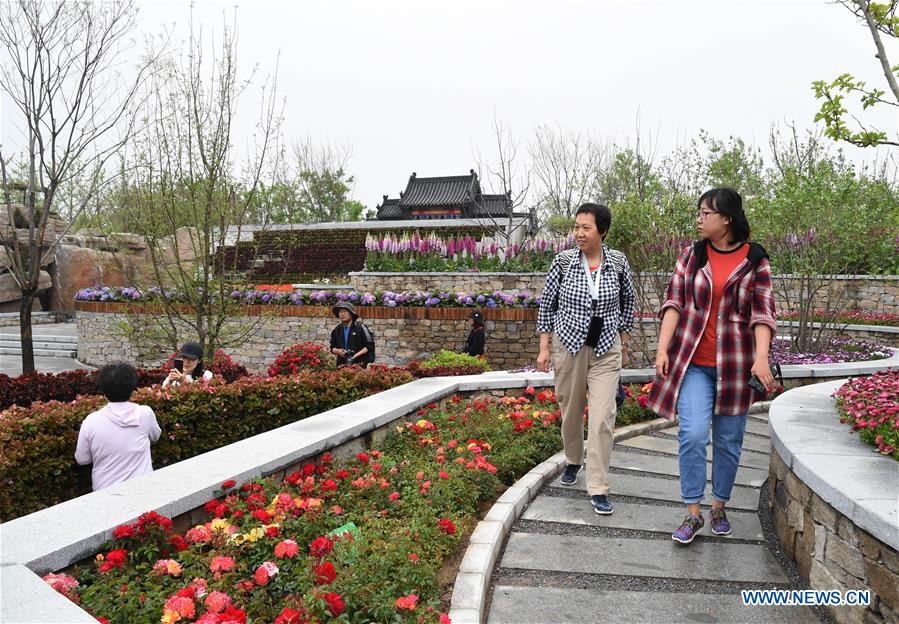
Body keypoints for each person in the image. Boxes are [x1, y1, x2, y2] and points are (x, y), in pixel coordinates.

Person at [648, 187, 776, 544]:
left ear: (727, 219)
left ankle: (719, 505)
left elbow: (762, 312)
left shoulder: (755, 259)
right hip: (693, 363)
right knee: (691, 435)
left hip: (735, 365)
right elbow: (674, 302)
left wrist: (761, 358)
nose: (699, 219)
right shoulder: (691, 255)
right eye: (699, 212)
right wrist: (662, 349)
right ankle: (693, 512)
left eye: (706, 213)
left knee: (729, 440)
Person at [536, 203, 636, 515]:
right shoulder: (563, 262)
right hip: (569, 345)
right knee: (571, 410)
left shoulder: (618, 262)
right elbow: (547, 304)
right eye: (576, 227)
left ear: (602, 231)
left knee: (603, 417)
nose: (578, 233)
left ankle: (598, 487)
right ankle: (573, 459)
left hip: (606, 348)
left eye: (585, 228)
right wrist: (543, 346)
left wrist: (624, 338)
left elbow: (628, 300)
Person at [75, 363, 162, 491]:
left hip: (105, 492)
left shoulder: (91, 421)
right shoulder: (145, 413)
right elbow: (156, 436)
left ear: (103, 391)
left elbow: (82, 459)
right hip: (142, 489)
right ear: (132, 388)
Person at [329, 302, 374, 368]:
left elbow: (369, 346)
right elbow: (332, 347)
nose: (342, 314)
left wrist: (355, 355)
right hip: (342, 364)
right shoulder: (337, 330)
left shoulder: (361, 327)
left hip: (359, 364)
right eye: (340, 312)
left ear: (351, 314)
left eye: (345, 311)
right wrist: (337, 351)